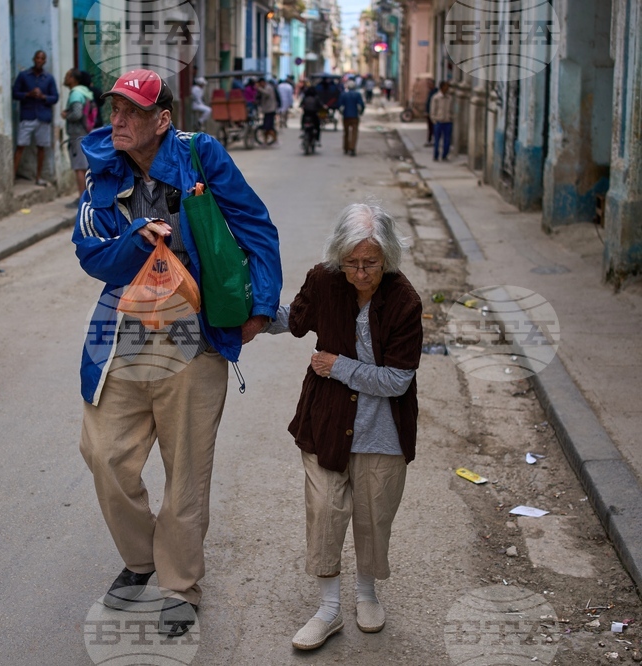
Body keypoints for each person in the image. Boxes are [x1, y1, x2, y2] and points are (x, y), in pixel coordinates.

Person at [72, 68, 282, 638]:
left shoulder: (200, 157)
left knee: (186, 467)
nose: (118, 121)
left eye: (134, 112)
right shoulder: (103, 169)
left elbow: (256, 227)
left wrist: (259, 309)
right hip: (121, 325)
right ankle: (143, 558)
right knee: (104, 453)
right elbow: (89, 255)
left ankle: (179, 584)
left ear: (162, 120)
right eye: (114, 109)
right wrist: (131, 239)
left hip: (193, 324)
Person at [266, 204, 422, 651]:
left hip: (383, 431)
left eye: (369, 263)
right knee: (325, 511)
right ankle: (329, 610)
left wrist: (339, 366)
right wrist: (248, 316)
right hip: (327, 422)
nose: (359, 273)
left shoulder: (405, 302)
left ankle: (367, 594)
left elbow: (397, 380)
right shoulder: (323, 279)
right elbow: (293, 319)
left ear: (387, 258)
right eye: (351, 263)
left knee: (374, 515)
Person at [12, 50, 59, 186]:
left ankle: (38, 177)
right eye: (37, 58)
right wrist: (28, 94)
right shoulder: (23, 76)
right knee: (20, 146)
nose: (39, 60)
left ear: (45, 61)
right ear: (33, 59)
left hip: (43, 116)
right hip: (27, 116)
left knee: (41, 148)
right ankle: (12, 177)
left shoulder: (48, 78)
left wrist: (43, 97)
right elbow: (15, 93)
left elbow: (55, 97)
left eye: (42, 58)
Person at [62, 68, 95, 204]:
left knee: (79, 166)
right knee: (85, 165)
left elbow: (77, 114)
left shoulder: (76, 93)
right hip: (86, 131)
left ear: (73, 79)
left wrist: (66, 115)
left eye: (67, 76)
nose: (65, 78)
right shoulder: (85, 92)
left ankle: (82, 199)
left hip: (77, 133)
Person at [337, 80, 365, 156]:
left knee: (346, 133)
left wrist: (341, 113)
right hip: (355, 116)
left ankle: (346, 148)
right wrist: (361, 112)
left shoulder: (343, 94)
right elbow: (361, 105)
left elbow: (339, 105)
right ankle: (352, 148)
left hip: (346, 116)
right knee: (354, 133)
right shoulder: (357, 95)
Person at [430, 81, 454, 161]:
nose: (447, 88)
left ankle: (444, 155)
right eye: (446, 86)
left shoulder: (449, 98)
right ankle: (436, 155)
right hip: (438, 122)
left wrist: (451, 118)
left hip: (447, 122)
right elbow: (432, 110)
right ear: (442, 87)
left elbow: (452, 109)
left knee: (447, 140)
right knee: (437, 140)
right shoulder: (436, 97)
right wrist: (434, 120)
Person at [256, 77, 278, 142]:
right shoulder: (264, 88)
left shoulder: (268, 88)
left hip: (270, 110)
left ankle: (275, 140)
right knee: (266, 127)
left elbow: (267, 94)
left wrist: (259, 89)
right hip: (266, 110)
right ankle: (265, 141)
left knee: (268, 127)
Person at [424, 78, 437, 146]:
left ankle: (433, 140)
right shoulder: (430, 92)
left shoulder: (435, 92)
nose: (428, 85)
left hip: (433, 113)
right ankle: (429, 140)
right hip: (429, 113)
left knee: (433, 127)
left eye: (429, 84)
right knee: (430, 127)